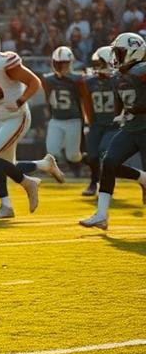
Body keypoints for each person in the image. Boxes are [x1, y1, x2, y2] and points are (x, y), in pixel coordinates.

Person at [0, 29, 53, 219]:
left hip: (17, 116)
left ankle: (28, 183)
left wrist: (21, 100)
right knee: (3, 164)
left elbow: (34, 82)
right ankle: (7, 204)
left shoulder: (4, 62)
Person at [80, 34, 146, 229]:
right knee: (108, 163)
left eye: (120, 52)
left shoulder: (142, 71)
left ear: (134, 52)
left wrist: (135, 109)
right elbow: (120, 98)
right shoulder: (118, 75)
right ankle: (101, 214)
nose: (116, 57)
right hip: (131, 128)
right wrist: (121, 113)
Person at [78, 46, 119, 197]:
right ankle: (94, 182)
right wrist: (90, 120)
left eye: (99, 64)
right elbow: (87, 102)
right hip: (97, 123)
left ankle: (107, 184)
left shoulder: (117, 80)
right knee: (92, 155)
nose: (96, 68)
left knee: (104, 151)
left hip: (114, 124)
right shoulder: (90, 81)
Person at [41, 46, 84, 179]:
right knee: (52, 151)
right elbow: (47, 98)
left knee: (73, 155)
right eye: (57, 63)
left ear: (70, 63)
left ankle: (83, 164)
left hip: (73, 120)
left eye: (63, 63)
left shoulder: (77, 79)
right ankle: (58, 170)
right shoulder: (48, 79)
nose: (59, 66)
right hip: (56, 119)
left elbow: (83, 100)